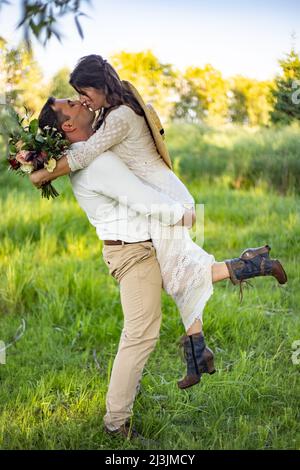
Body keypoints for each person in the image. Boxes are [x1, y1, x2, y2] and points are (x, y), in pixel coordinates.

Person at [27, 94, 288, 395]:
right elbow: (142, 199)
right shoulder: (95, 160)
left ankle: (189, 359)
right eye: (71, 103)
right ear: (69, 125)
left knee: (173, 291)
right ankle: (250, 270)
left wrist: (39, 169)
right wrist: (182, 216)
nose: (80, 100)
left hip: (144, 239)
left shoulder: (100, 137)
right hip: (133, 249)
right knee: (160, 309)